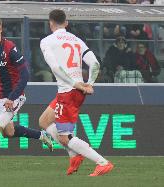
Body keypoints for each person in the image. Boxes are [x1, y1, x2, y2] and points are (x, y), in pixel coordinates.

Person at [0, 16, 53, 169]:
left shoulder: (10, 48)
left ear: (0, 29)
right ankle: (41, 135)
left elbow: (25, 75)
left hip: (14, 97)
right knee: (8, 132)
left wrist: (12, 97)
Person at [39, 9, 114, 176]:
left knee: (65, 138)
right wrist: (89, 84)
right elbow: (94, 63)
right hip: (74, 91)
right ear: (66, 23)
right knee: (44, 121)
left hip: (69, 92)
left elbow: (55, 67)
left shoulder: (46, 41)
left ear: (50, 22)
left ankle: (102, 162)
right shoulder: (77, 40)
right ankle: (74, 156)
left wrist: (75, 84)